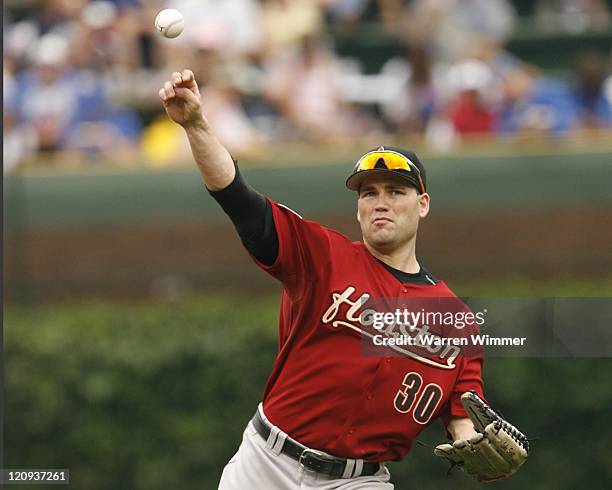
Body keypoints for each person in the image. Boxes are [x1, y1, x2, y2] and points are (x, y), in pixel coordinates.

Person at [158, 69, 528, 489]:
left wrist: (474, 440)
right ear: (358, 208)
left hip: (357, 481)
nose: (380, 202)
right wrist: (196, 126)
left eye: (395, 191)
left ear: (422, 204)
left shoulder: (456, 320)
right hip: (265, 464)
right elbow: (238, 199)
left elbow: (463, 415)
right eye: (369, 193)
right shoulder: (322, 255)